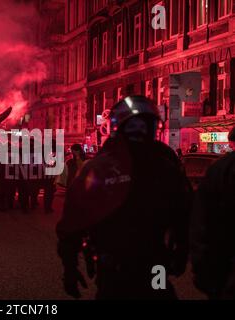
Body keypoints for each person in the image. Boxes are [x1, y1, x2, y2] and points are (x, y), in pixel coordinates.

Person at [57, 96, 193, 300]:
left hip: (130, 263)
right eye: (135, 126)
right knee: (153, 291)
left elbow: (185, 214)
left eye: (144, 125)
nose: (139, 131)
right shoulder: (164, 165)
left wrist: (69, 269)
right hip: (132, 263)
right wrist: (181, 251)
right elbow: (187, 214)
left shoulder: (101, 167)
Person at [190, 125, 235, 299]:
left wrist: (202, 270)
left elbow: (202, 224)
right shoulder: (221, 169)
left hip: (225, 266)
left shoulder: (220, 169)